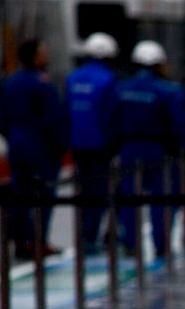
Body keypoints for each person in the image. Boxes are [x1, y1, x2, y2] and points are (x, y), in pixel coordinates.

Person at [112, 40, 185, 258]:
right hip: (159, 150)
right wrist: (181, 148)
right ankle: (161, 245)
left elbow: (110, 120)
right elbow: (180, 124)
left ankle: (130, 243)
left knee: (129, 198)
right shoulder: (169, 91)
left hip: (128, 148)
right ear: (158, 64)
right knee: (162, 200)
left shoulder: (120, 89)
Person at [0, 38, 68, 258]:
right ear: (36, 57)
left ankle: (19, 240)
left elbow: (3, 119)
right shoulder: (42, 84)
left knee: (20, 194)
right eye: (43, 52)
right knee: (43, 197)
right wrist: (60, 146)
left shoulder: (10, 82)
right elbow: (52, 120)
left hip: (17, 146)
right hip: (40, 149)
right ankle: (36, 240)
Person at [65, 32, 120, 250]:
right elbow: (111, 116)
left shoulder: (73, 78)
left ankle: (84, 234)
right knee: (100, 192)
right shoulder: (108, 79)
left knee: (83, 192)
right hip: (101, 146)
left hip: (78, 144)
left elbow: (67, 112)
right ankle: (93, 235)